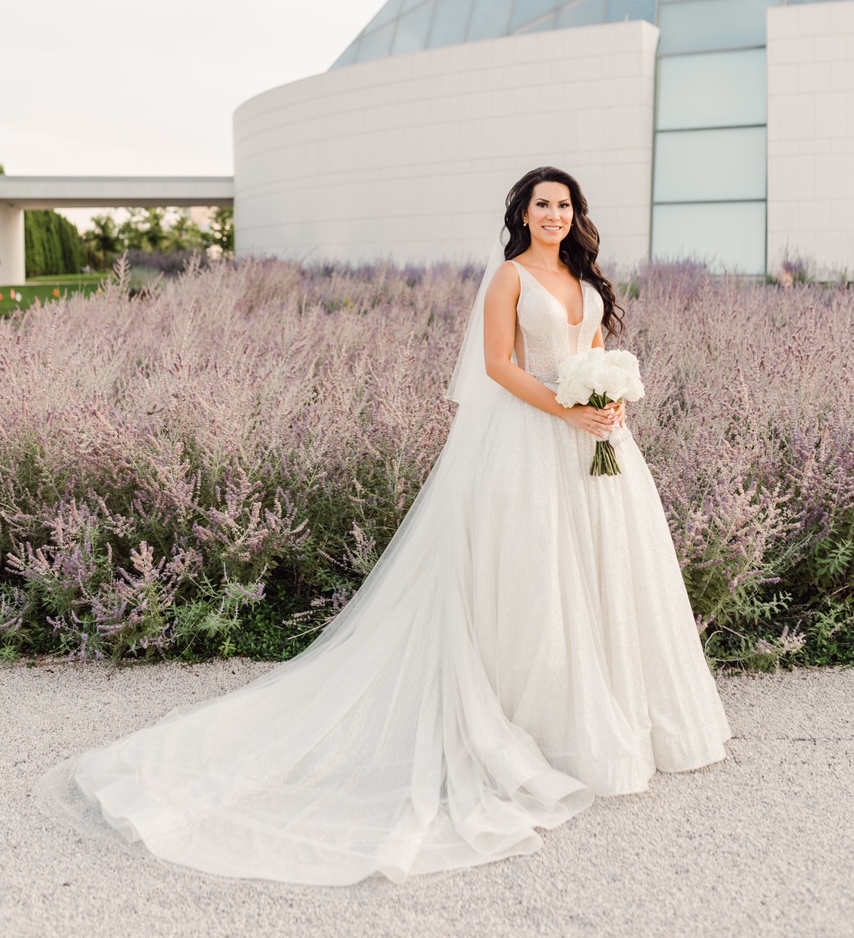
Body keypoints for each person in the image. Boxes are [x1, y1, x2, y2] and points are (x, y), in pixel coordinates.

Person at [37, 166, 731, 886]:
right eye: (541, 205)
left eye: (563, 205)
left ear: (575, 214)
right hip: (535, 438)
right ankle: (550, 728)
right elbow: (498, 367)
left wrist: (608, 401)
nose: (553, 215)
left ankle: (624, 716)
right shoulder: (510, 279)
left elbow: (591, 355)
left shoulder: (587, 280)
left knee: (605, 570)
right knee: (542, 573)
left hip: (596, 441)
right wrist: (568, 407)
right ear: (521, 215)